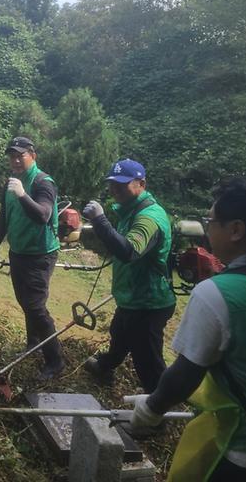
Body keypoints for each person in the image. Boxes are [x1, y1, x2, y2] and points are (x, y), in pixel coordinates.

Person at [126, 177, 246, 481]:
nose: (208, 229)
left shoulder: (218, 295)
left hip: (245, 456)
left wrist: (152, 408)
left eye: (212, 221)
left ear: (236, 230)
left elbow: (186, 374)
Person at [81, 158, 175, 393]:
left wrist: (100, 221)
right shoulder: (131, 210)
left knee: (147, 360)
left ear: (141, 183)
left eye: (122, 184)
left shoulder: (149, 217)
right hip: (132, 297)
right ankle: (105, 367)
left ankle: (156, 413)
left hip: (149, 302)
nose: (115, 189)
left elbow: (129, 251)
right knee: (119, 335)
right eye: (112, 184)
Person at [0, 137, 65, 380]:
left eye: (21, 155)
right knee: (24, 300)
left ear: (33, 155)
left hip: (40, 254)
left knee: (35, 306)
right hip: (18, 250)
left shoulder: (43, 182)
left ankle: (55, 360)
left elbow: (43, 215)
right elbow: (4, 215)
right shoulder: (12, 182)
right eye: (12, 156)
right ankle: (33, 343)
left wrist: (22, 194)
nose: (16, 160)